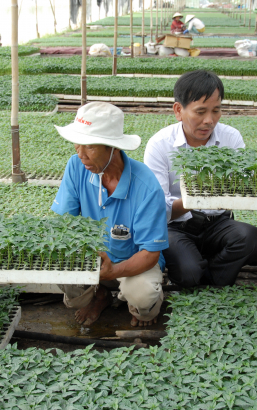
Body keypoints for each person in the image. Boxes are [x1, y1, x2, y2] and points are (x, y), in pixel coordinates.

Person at [144, 70, 257, 288]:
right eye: (200, 112)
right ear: (178, 110)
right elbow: (157, 209)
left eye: (216, 111)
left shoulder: (231, 138)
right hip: (176, 227)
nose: (209, 121)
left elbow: (244, 183)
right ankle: (204, 274)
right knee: (188, 273)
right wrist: (195, 199)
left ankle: (207, 277)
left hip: (218, 223)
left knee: (252, 238)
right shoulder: (159, 144)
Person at [52, 102, 169, 327]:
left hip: (134, 262)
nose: (80, 153)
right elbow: (64, 224)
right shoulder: (76, 166)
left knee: (143, 299)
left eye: (90, 147)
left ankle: (136, 303)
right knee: (59, 265)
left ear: (112, 147)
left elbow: (150, 254)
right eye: (77, 143)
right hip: (94, 256)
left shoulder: (146, 186)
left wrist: (113, 270)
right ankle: (100, 296)